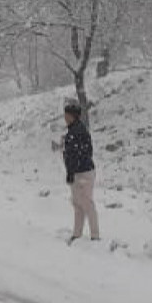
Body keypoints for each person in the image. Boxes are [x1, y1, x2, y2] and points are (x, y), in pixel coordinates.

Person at [62, 102, 99, 244]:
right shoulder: (73, 131)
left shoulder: (78, 131)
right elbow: (71, 153)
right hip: (76, 172)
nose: (64, 116)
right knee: (77, 204)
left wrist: (74, 167)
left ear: (73, 116)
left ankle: (95, 235)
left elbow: (83, 153)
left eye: (67, 114)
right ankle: (77, 234)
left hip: (84, 173)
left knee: (87, 204)